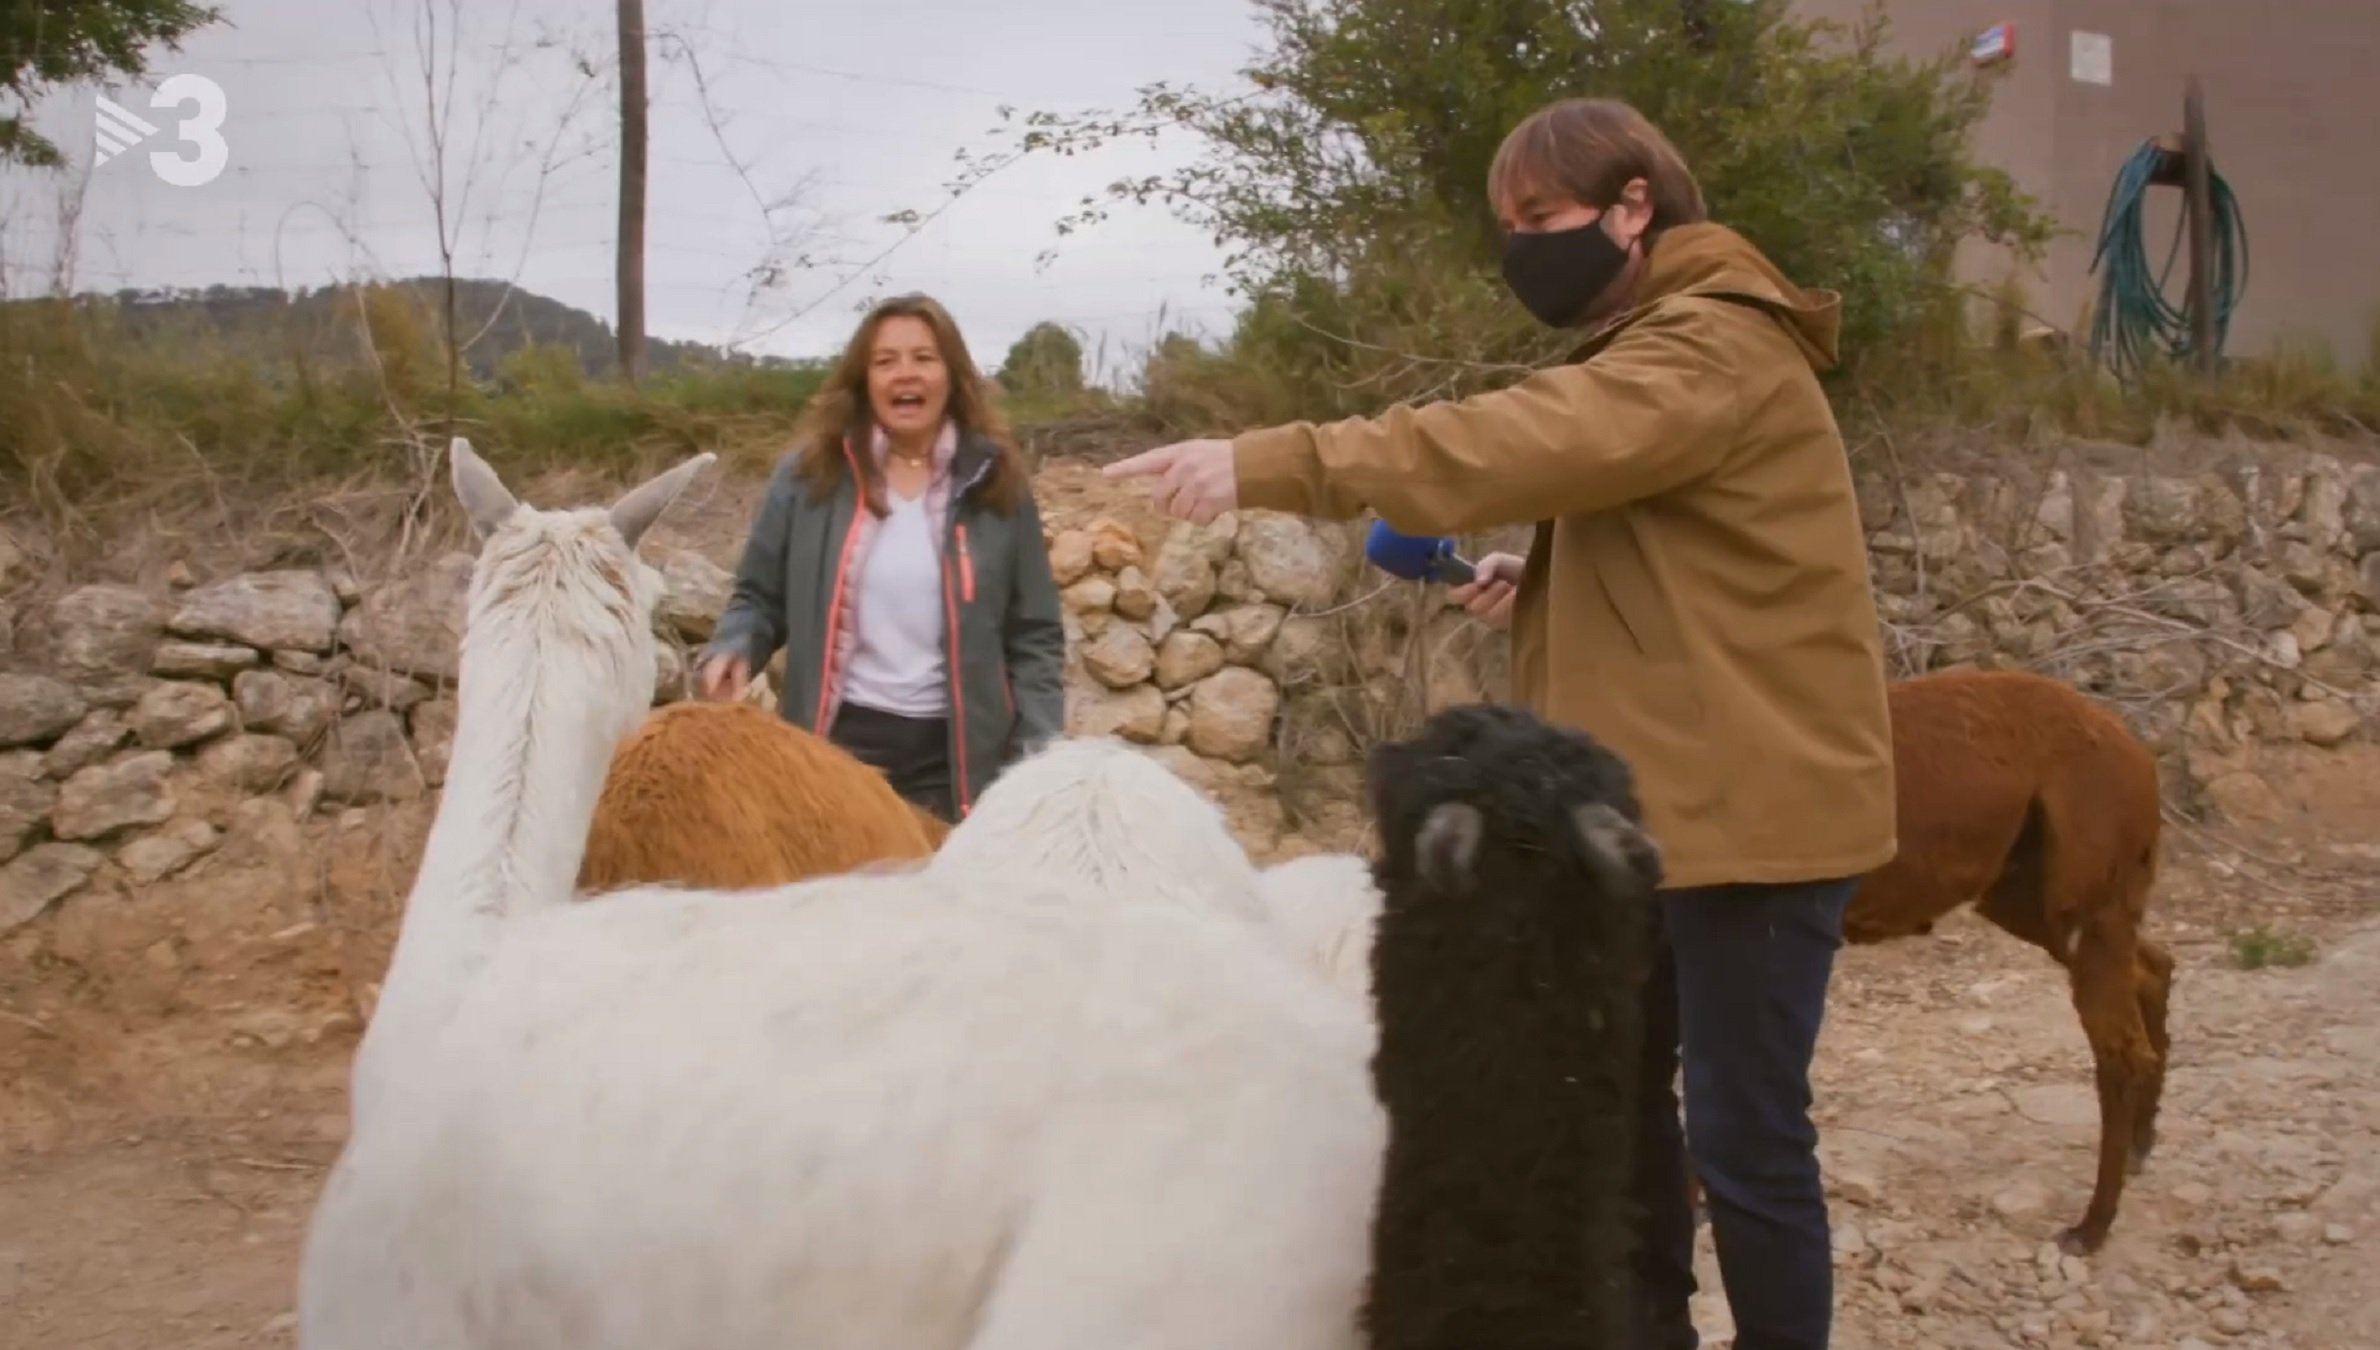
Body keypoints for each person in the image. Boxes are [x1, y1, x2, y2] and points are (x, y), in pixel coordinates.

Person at [1104, 97, 1896, 1350]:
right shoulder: (1664, 345)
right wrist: (1552, 579)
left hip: (1759, 818)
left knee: (1745, 1143)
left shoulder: (1713, 346)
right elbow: (1692, 553)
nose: (1522, 245)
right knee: (1624, 1117)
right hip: (1664, 817)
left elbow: (1515, 441)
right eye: (1507, 225)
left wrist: (1274, 458)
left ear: (1634, 204)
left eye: (1542, 216)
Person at [696, 292, 1067, 824]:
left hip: (957, 766)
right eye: (885, 361)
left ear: (952, 374)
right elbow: (758, 597)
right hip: (836, 754)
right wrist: (735, 646)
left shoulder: (996, 483)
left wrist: (1037, 752)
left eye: (923, 357)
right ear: (864, 379)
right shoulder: (807, 477)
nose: (904, 374)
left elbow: (1035, 635)